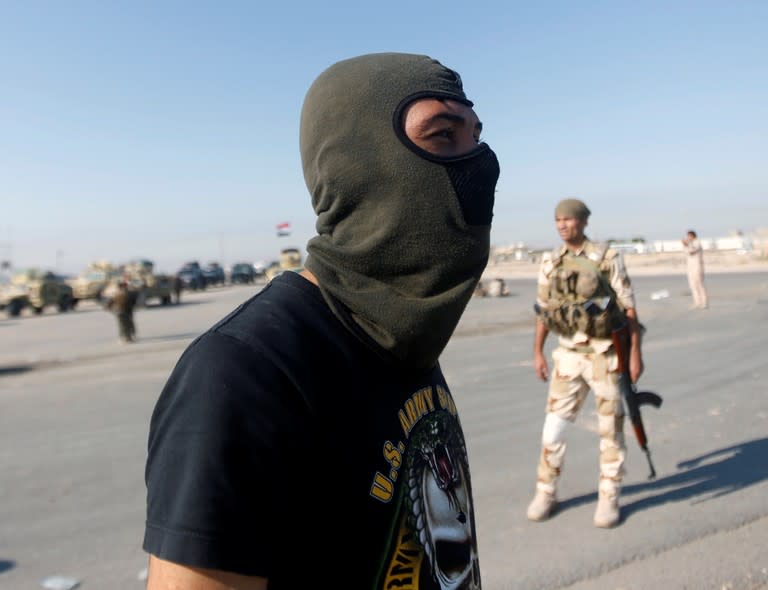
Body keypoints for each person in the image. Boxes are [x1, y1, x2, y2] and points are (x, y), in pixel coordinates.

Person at [143, 52, 500, 589]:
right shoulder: (247, 373)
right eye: (442, 136)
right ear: (357, 164)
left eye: (474, 137)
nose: (478, 163)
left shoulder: (399, 333)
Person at [527, 198, 643, 528]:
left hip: (606, 356)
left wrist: (635, 354)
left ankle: (609, 497)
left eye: (568, 219)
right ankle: (546, 491)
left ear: (583, 221)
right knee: (553, 430)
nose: (562, 225)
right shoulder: (551, 261)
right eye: (558, 220)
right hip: (568, 357)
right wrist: (537, 351)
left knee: (611, 432)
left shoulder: (607, 257)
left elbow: (629, 309)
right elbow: (544, 311)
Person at [681, 229, 708, 309]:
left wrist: (686, 245)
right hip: (690, 267)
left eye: (689, 236)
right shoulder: (689, 244)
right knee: (693, 286)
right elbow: (686, 252)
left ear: (693, 236)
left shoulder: (697, 243)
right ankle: (697, 303)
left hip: (698, 266)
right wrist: (686, 245)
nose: (687, 237)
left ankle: (704, 303)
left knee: (699, 284)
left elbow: (692, 252)